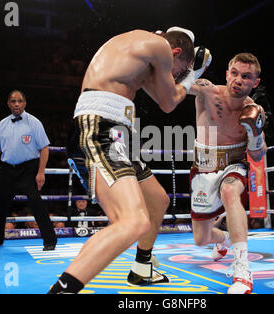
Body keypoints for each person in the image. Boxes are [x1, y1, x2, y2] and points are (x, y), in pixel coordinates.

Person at [48, 27, 211, 294]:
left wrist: (193, 77)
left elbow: (165, 97)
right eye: (178, 68)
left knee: (157, 200)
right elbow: (171, 102)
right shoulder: (157, 46)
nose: (175, 75)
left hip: (117, 133)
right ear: (176, 52)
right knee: (132, 221)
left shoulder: (140, 52)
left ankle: (142, 268)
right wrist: (193, 74)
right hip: (99, 127)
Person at [187, 52, 267, 294]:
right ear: (226, 73)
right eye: (234, 73)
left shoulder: (255, 110)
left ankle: (242, 270)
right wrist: (187, 69)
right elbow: (172, 88)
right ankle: (225, 238)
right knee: (201, 239)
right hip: (204, 163)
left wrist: (255, 135)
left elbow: (258, 156)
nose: (238, 79)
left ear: (255, 82)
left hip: (235, 160)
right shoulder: (207, 91)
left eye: (246, 76)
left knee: (230, 191)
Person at [0, 90, 57, 251]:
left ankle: (50, 240)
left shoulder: (34, 122)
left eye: (19, 101)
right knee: (0, 204)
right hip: (7, 169)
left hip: (28, 169)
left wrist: (41, 172)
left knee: (36, 203)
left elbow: (44, 148)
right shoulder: (2, 124)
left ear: (24, 103)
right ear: (8, 104)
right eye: (13, 101)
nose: (16, 104)